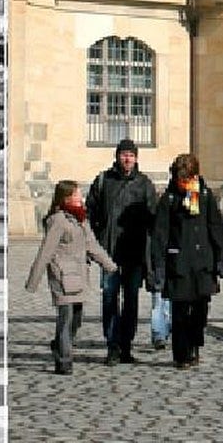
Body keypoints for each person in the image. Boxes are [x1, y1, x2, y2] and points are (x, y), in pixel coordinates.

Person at [25, 180, 117, 374]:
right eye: (77, 194)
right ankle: (64, 361)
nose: (80, 197)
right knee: (66, 318)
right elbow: (46, 251)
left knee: (76, 319)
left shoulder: (81, 219)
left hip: (79, 277)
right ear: (66, 197)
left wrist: (110, 266)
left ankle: (59, 345)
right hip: (62, 277)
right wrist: (33, 281)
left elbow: (93, 246)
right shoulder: (58, 221)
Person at [150, 153, 223, 370]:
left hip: (203, 263)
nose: (184, 183)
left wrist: (221, 257)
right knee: (180, 312)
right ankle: (182, 354)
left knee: (201, 309)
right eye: (180, 179)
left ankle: (195, 343)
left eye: (187, 179)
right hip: (179, 264)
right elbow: (159, 234)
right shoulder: (169, 199)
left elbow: (216, 227)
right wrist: (158, 266)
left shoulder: (204, 196)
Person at [86, 138, 158, 365]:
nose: (127, 159)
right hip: (109, 251)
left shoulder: (144, 184)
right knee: (109, 298)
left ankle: (126, 344)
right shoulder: (103, 181)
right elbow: (91, 211)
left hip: (134, 252)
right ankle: (112, 345)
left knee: (131, 300)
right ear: (117, 156)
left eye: (131, 155)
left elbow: (153, 217)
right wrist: (97, 240)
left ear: (136, 158)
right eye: (124, 154)